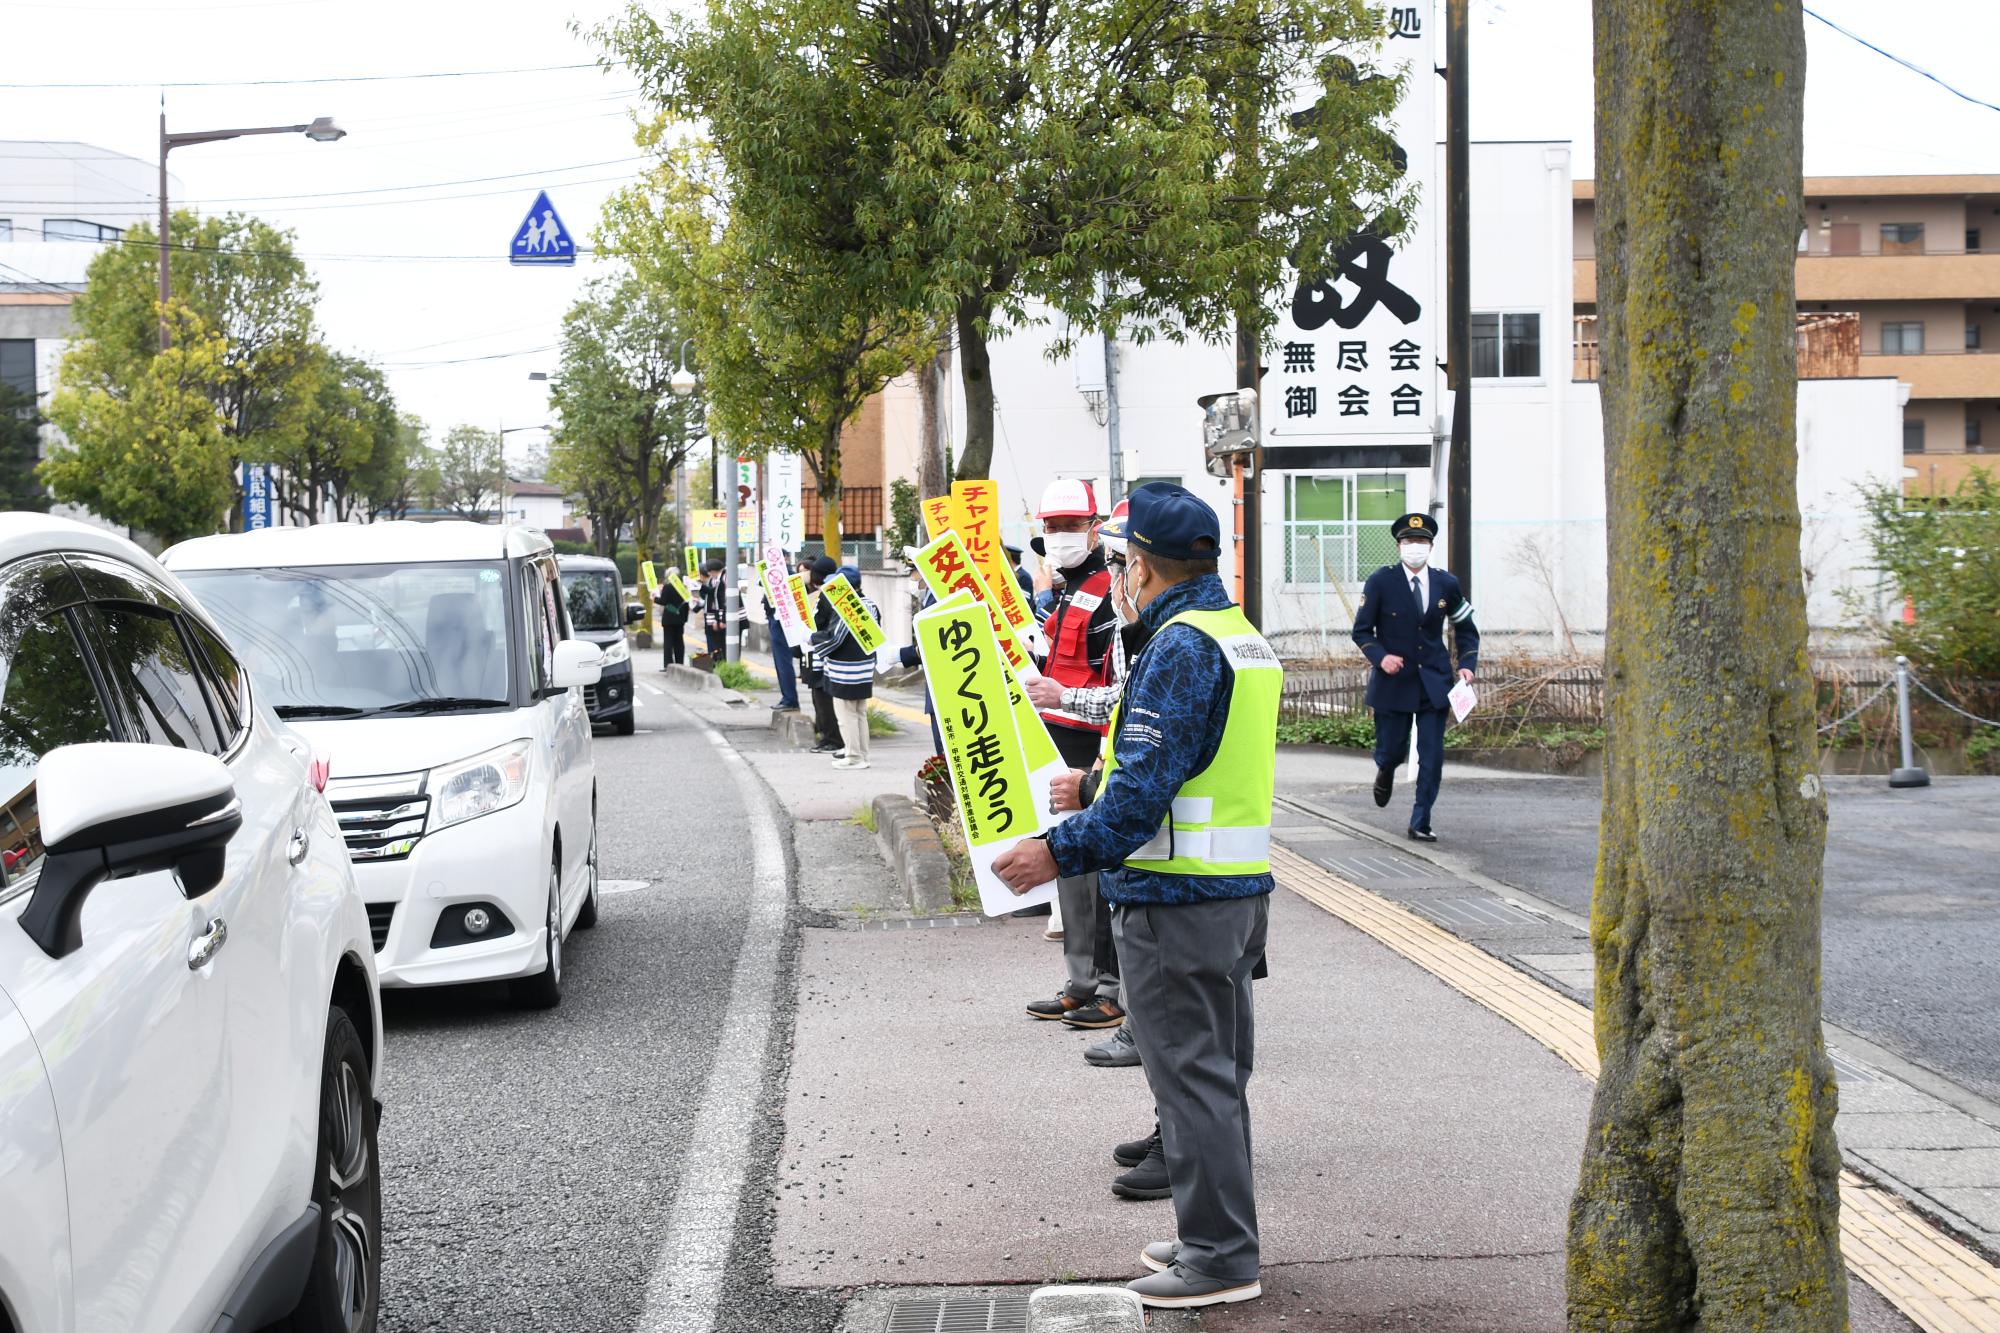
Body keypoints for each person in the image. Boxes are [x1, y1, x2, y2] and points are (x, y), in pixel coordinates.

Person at [993, 482, 1281, 1311]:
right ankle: (1213, 1232)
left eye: (1120, 559)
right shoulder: (1236, 636)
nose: (1115, 573)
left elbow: (1144, 797)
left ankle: (1220, 1255)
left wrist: (1051, 853)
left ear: (1144, 568)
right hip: (1230, 895)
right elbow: (1193, 762)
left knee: (1188, 1078)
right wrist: (1089, 780)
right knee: (1215, 1077)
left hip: (1174, 898)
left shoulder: (1179, 646)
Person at [1021, 478, 1125, 1031]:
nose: (1060, 536)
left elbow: (1116, 676)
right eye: (1052, 527)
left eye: (1070, 526)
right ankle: (1081, 982)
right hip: (1059, 736)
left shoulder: (1112, 588)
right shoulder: (1067, 587)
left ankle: (1110, 988)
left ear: (1095, 526)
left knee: (1102, 866)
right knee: (1072, 865)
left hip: (1096, 738)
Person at [1350, 512, 1480, 843]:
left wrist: (1467, 663)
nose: (1415, 547)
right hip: (1394, 682)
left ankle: (1421, 819)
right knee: (1393, 750)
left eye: (1421, 542)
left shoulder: (1446, 583)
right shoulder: (1381, 581)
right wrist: (1381, 657)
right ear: (1399, 546)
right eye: (1409, 542)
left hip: (1434, 682)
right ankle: (1385, 770)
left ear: (1431, 546)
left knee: (1432, 756)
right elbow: (1362, 631)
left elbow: (1466, 628)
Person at [813, 564, 880, 770]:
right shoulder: (870, 604)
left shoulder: (847, 607)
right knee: (859, 713)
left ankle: (853, 756)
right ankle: (862, 753)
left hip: (846, 670)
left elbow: (835, 639)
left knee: (846, 715)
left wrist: (811, 638)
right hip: (864, 668)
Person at [801, 556, 843, 754]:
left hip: (822, 653)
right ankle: (827, 735)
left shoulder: (829, 594)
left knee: (823, 697)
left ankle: (832, 739)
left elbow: (820, 622)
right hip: (819, 652)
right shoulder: (827, 593)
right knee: (820, 696)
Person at [764, 558, 801, 712]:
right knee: (781, 664)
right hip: (777, 622)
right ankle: (787, 698)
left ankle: (790, 699)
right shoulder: (774, 576)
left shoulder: (788, 577)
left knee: (783, 663)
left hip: (782, 625)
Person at [655, 569, 690, 668]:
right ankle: (680, 663)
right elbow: (686, 603)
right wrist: (685, 618)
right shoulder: (683, 588)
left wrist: (654, 598)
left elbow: (663, 601)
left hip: (669, 619)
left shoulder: (667, 587)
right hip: (680, 619)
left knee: (668, 642)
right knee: (679, 641)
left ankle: (668, 664)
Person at [699, 559, 728, 664]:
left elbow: (721, 601)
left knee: (717, 645)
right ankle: (715, 663)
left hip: (716, 618)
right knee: (713, 645)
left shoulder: (722, 579)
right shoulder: (713, 580)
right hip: (712, 618)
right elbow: (710, 595)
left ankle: (718, 664)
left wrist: (720, 619)